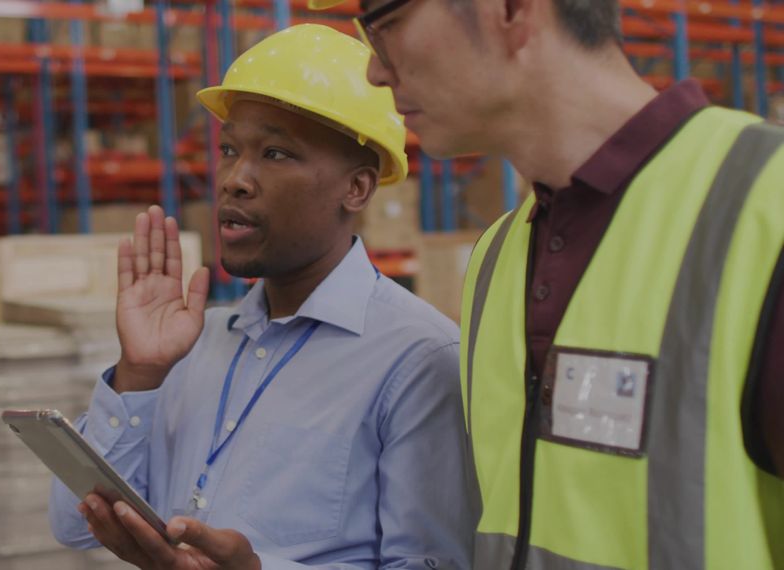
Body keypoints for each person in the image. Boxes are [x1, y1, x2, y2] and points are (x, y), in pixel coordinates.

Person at [305, 0, 784, 567]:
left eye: (385, 27)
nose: (375, 70)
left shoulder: (763, 203)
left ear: (509, 10)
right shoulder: (496, 257)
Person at [48, 23, 478, 569]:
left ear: (357, 188)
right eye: (230, 149)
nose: (235, 180)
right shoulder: (194, 343)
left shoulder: (418, 360)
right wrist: (139, 374)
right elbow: (71, 522)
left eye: (275, 154)